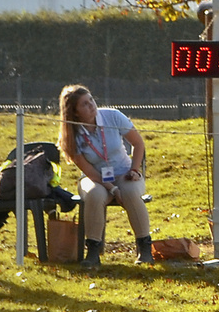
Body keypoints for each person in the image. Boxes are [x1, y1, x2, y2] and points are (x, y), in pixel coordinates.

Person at [58, 85, 151, 269]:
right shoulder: (72, 134)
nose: (91, 105)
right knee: (95, 194)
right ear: (75, 113)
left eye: (91, 100)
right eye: (84, 104)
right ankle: (93, 251)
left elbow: (138, 144)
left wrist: (134, 170)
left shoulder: (113, 116)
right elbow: (90, 172)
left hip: (125, 173)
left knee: (131, 192)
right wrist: (112, 189)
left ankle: (144, 248)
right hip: (94, 178)